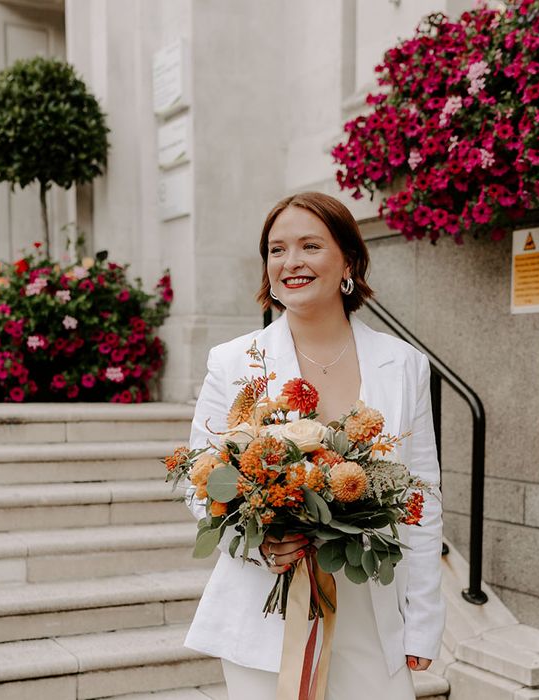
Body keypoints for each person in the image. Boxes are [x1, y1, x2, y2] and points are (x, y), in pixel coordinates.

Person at [184, 192, 445, 699]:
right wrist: (261, 541)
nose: (291, 262)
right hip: (266, 609)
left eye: (309, 245)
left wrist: (424, 619)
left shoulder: (404, 364)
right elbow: (200, 483)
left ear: (348, 259)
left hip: (370, 605)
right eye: (276, 250)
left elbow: (422, 497)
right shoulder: (235, 361)